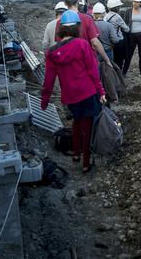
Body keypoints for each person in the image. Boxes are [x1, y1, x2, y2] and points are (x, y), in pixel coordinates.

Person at [41, 10, 106, 173]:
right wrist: (101, 91)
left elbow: (49, 79)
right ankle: (85, 162)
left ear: (60, 29)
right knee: (88, 126)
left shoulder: (52, 53)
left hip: (70, 95)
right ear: (77, 27)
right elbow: (92, 71)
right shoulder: (82, 45)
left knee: (76, 121)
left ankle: (76, 154)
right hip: (88, 92)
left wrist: (45, 99)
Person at [56, 0, 113, 68]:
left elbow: (59, 45)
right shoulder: (87, 19)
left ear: (65, 3)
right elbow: (95, 42)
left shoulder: (59, 22)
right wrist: (107, 60)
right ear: (78, 0)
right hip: (88, 62)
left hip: (71, 64)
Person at [122, 0, 141, 76]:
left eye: (137, 2)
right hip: (131, 36)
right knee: (129, 54)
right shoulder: (128, 11)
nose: (135, 3)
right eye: (134, 1)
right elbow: (125, 24)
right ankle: (124, 71)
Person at [105, 0, 130, 68]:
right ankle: (119, 74)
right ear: (117, 8)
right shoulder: (117, 17)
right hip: (118, 41)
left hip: (109, 41)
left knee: (113, 59)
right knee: (119, 60)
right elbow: (126, 29)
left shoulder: (106, 15)